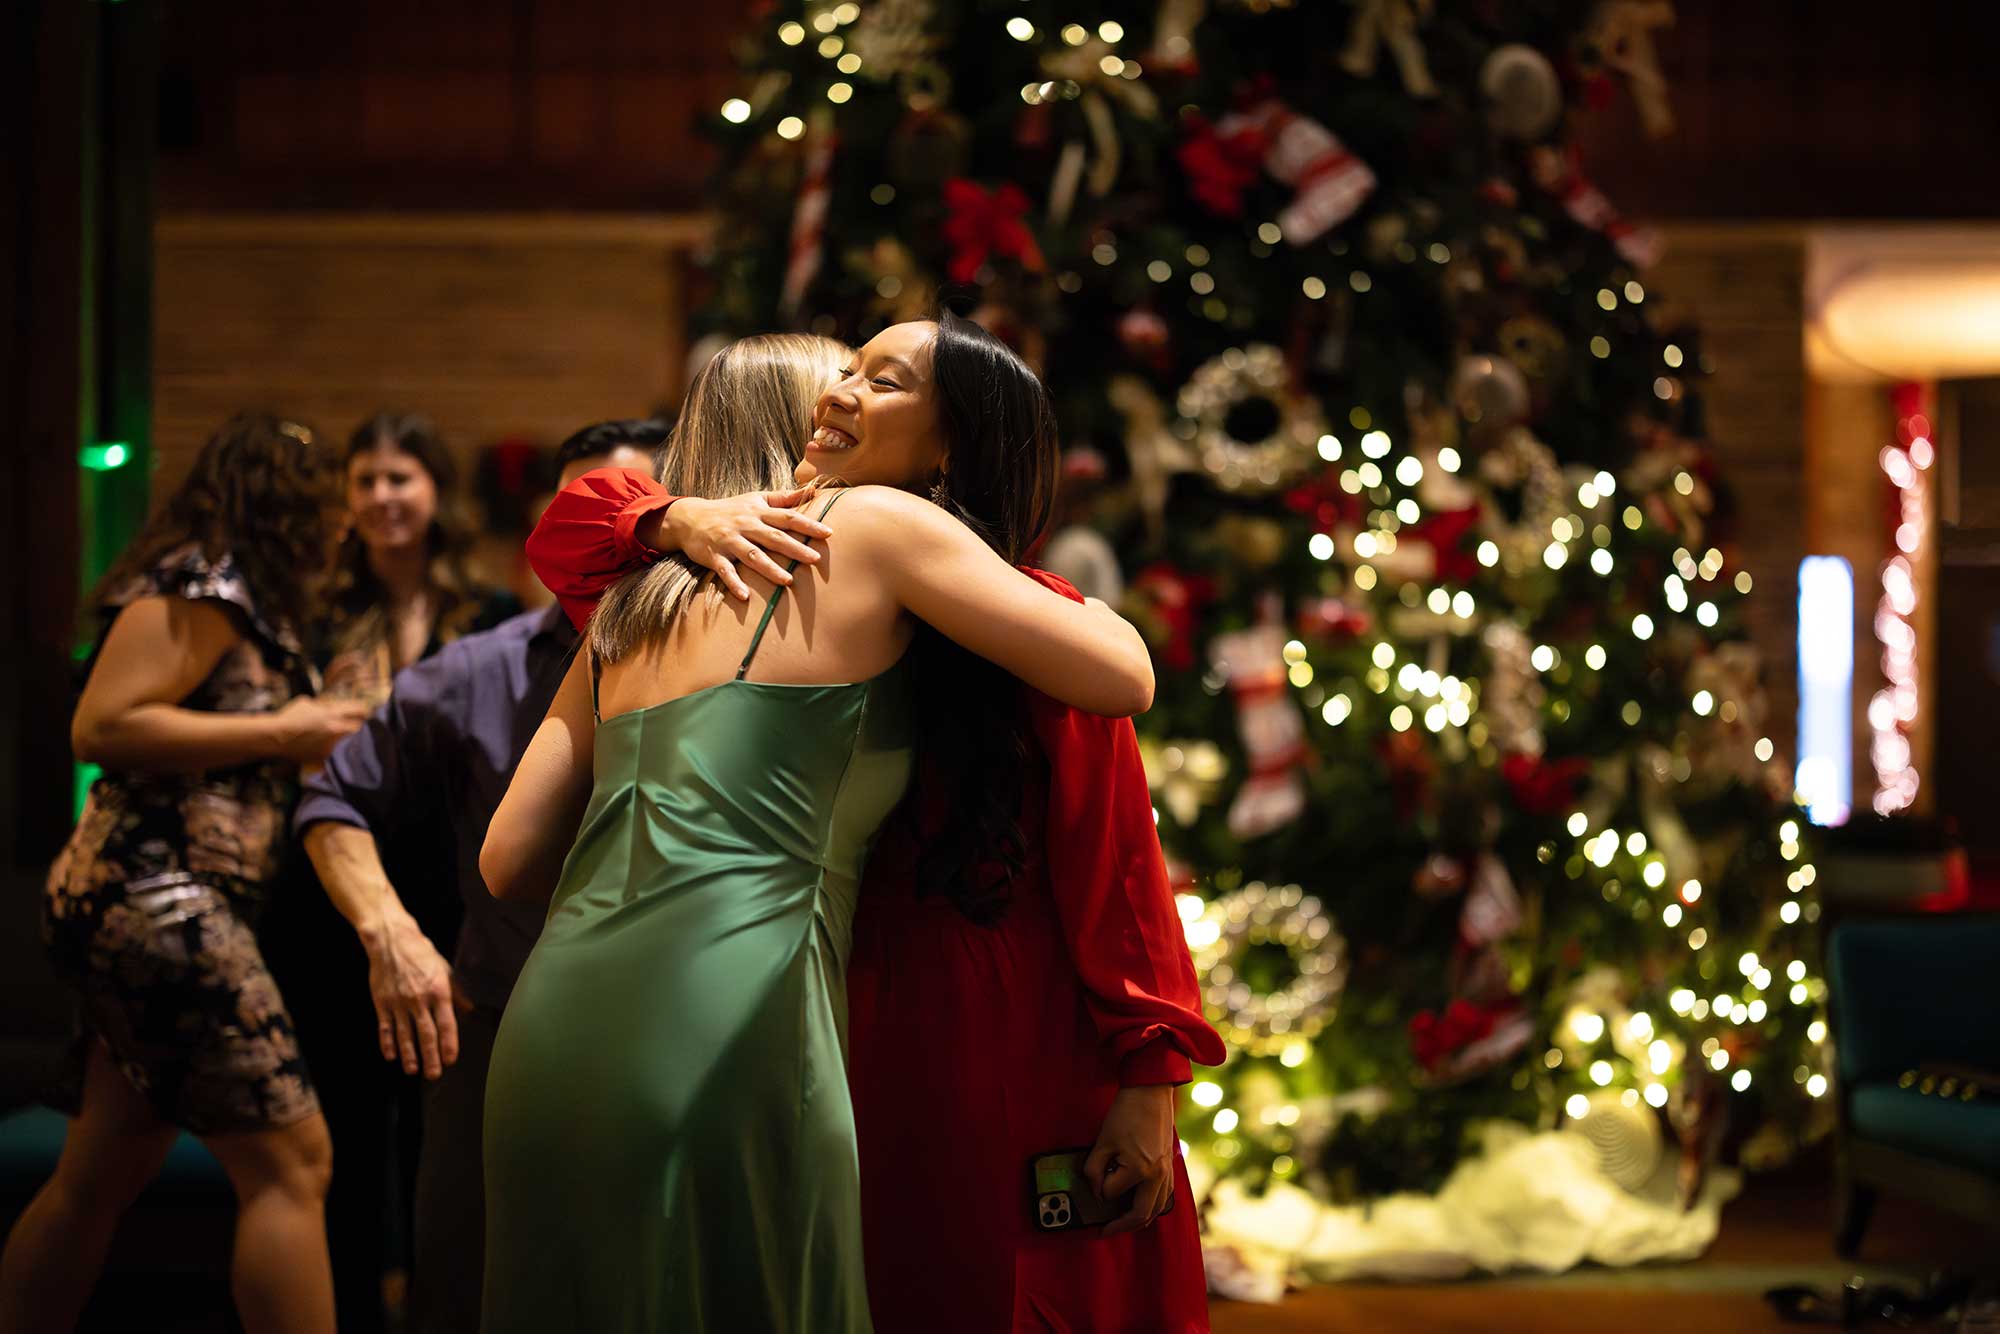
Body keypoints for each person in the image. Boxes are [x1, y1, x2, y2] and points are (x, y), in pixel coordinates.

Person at [527, 313, 1223, 1332]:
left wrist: (1148, 1072)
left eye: (883, 381)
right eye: (843, 372)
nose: (840, 394)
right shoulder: (754, 592)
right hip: (830, 1004)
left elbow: (1115, 854)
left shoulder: (1031, 623)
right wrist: (672, 519)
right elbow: (572, 524)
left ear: (950, 445)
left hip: (990, 1014)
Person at [0, 413, 363, 1334]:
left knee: (99, 1170)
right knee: (294, 1164)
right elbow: (104, 727)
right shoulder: (206, 581)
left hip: (141, 906)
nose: (345, 521)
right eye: (332, 499)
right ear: (284, 500)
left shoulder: (238, 594)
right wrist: (292, 728)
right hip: (160, 903)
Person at [260, 409, 523, 1332]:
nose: (381, 496)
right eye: (364, 479)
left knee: (440, 1126)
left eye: (399, 477)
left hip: (450, 885)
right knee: (338, 1122)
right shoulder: (314, 611)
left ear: (435, 492)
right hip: (333, 886)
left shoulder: (492, 614)